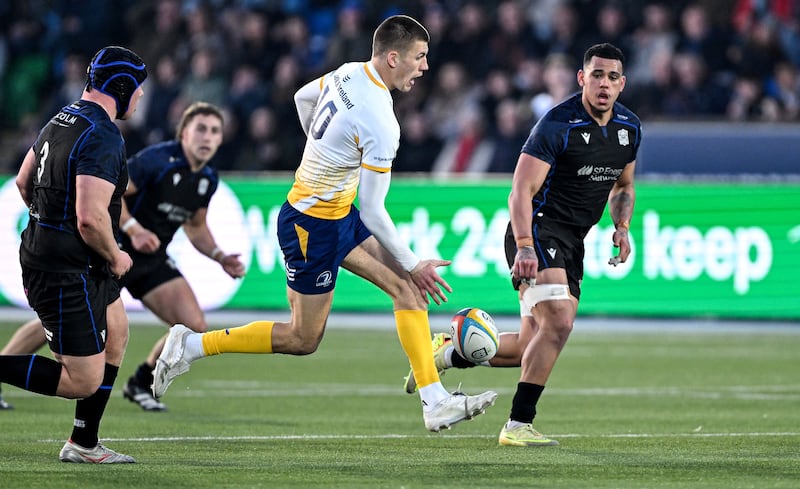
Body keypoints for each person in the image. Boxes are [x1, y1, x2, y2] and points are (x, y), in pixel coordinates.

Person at [152, 15, 497, 432]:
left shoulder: (351, 71)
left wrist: (323, 150)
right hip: (311, 227)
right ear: (393, 58)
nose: (425, 66)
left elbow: (302, 98)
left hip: (333, 214)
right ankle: (190, 345)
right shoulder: (382, 122)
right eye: (419, 57)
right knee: (302, 338)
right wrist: (414, 260)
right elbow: (373, 210)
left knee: (408, 291)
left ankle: (434, 401)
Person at [404, 43, 641, 446]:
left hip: (572, 242)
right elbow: (520, 191)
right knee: (560, 323)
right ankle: (518, 425)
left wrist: (622, 226)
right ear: (582, 79)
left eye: (612, 76)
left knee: (529, 345)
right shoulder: (557, 124)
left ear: (622, 83)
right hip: (536, 230)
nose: (604, 83)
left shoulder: (629, 129)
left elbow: (624, 185)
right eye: (596, 75)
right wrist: (527, 246)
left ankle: (446, 352)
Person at [0, 101, 245, 413]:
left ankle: (140, 382)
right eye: (200, 129)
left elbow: (196, 226)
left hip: (151, 261)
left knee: (192, 324)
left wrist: (220, 256)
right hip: (111, 251)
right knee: (53, 326)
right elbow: (111, 195)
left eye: (214, 131)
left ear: (222, 139)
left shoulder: (208, 178)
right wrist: (134, 228)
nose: (207, 137)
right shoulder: (156, 160)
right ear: (183, 133)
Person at [0, 46, 147, 463]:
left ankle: (83, 444)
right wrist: (116, 256)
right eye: (138, 90)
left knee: (116, 332)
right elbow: (88, 218)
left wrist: (49, 223)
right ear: (123, 88)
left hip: (67, 258)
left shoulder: (61, 118)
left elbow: (24, 181)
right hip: (67, 266)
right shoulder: (103, 134)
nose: (139, 98)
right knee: (82, 380)